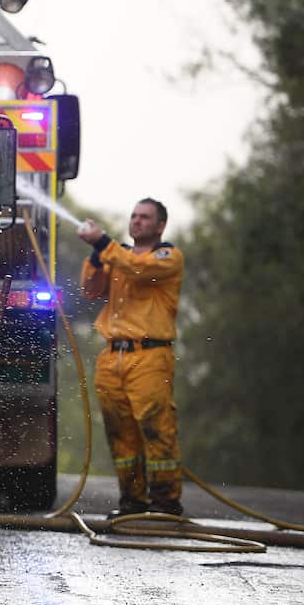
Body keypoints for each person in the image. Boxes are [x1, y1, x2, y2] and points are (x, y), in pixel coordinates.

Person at [78, 198, 186, 519]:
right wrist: (97, 255)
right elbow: (90, 289)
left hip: (150, 356)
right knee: (120, 432)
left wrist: (103, 242)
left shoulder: (168, 257)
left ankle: (166, 504)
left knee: (156, 427)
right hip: (113, 357)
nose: (137, 222)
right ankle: (133, 502)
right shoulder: (118, 257)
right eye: (134, 216)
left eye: (145, 218)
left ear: (160, 225)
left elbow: (140, 269)